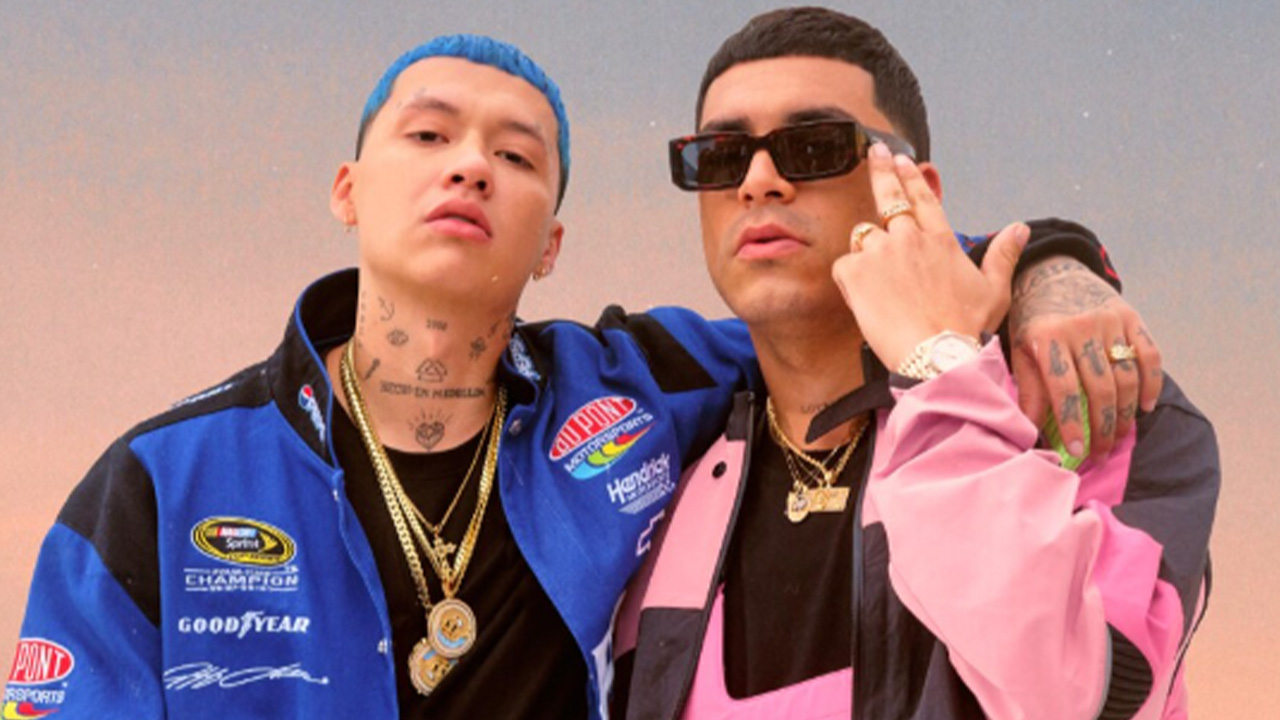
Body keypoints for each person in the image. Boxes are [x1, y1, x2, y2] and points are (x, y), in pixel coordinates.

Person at [4, 32, 1160, 720]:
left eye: (516, 156)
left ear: (551, 241)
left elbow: (866, 289)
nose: (470, 167)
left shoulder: (634, 388)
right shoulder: (157, 480)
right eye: (428, 136)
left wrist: (1056, 269)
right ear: (348, 188)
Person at [615, 8, 1218, 720]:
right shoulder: (656, 480)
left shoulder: (1091, 404)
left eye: (815, 146)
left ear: (915, 189)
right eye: (721, 156)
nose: (758, 181)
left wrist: (938, 368)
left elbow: (1072, 696)